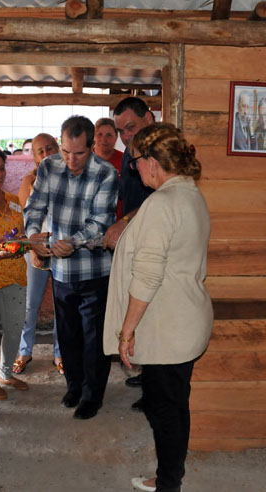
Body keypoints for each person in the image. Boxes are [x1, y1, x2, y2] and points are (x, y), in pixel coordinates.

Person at [103, 123, 213, 492]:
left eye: (135, 163)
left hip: (170, 325)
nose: (135, 170)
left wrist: (126, 332)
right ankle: (168, 476)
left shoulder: (163, 203)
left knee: (165, 409)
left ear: (151, 162)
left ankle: (168, 484)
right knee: (169, 404)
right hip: (185, 318)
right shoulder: (189, 194)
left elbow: (147, 276)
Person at [25, 116, 118, 420]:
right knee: (67, 335)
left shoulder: (106, 173)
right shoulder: (49, 166)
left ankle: (93, 396)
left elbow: (101, 221)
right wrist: (33, 235)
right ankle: (74, 386)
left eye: (78, 153)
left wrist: (73, 242)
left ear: (91, 146)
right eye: (65, 151)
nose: (70, 159)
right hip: (62, 272)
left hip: (94, 271)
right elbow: (35, 205)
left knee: (94, 338)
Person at [106, 96, 157, 411]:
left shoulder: (162, 155)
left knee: (150, 313)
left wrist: (124, 222)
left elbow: (159, 199)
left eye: (131, 128)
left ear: (149, 119)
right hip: (133, 242)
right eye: (120, 130)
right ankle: (147, 373)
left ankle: (154, 391)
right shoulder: (128, 156)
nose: (125, 136)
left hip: (153, 243)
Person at [13, 133, 64, 376]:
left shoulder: (70, 178)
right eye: (40, 151)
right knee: (30, 304)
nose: (46, 154)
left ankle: (60, 353)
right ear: (34, 157)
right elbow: (26, 221)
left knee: (61, 304)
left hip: (64, 250)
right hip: (36, 250)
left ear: (58, 148)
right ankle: (25, 350)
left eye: (49, 148)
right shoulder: (29, 181)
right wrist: (33, 249)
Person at [0, 148, 30, 401]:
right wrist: (13, 246)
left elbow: (21, 235)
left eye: (1, 168)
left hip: (16, 274)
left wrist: (22, 243)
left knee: (15, 328)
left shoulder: (14, 201)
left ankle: (5, 373)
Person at [93, 117, 125, 219]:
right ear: (94, 137)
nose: (104, 139)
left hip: (117, 222)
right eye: (100, 135)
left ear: (116, 137)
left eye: (109, 135)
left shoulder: (125, 160)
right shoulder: (84, 159)